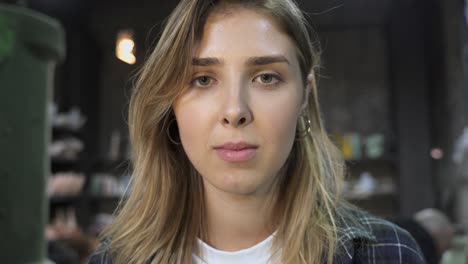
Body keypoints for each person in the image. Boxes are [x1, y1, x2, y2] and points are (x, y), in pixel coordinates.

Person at [88, 0, 426, 263]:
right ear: (171, 104)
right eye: (203, 80)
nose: (235, 110)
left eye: (266, 77)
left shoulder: (386, 254)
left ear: (305, 97)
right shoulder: (114, 259)